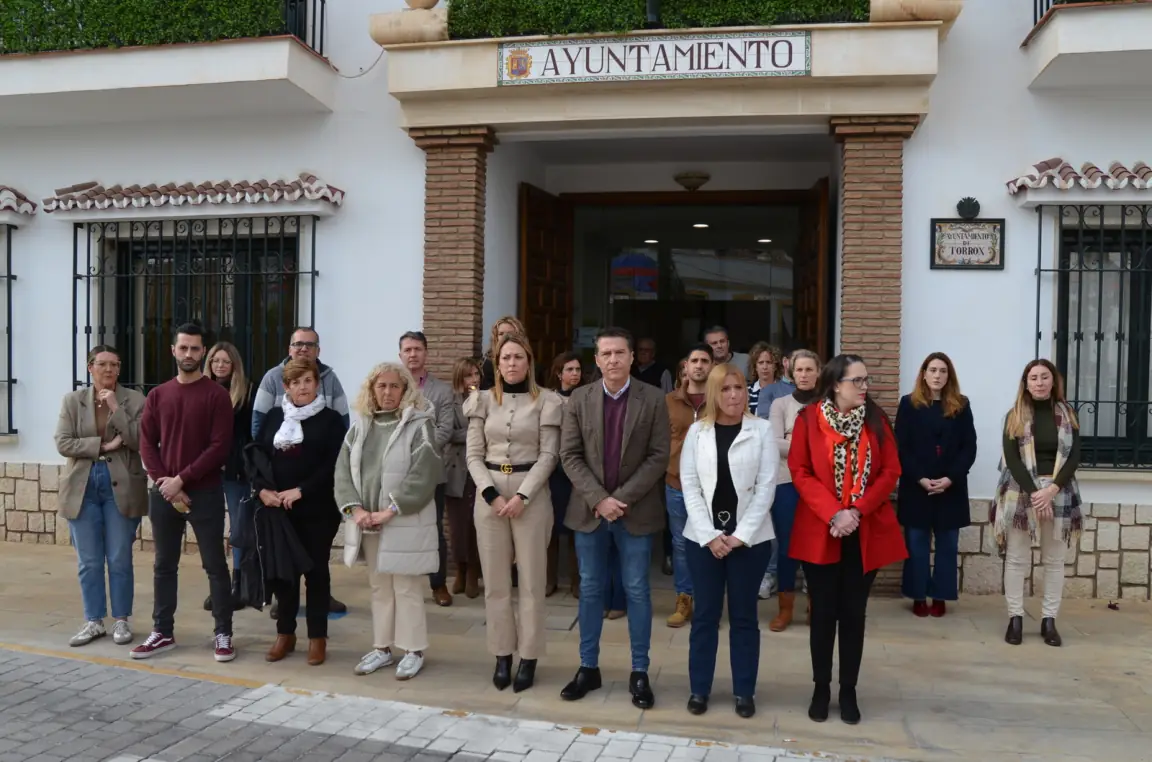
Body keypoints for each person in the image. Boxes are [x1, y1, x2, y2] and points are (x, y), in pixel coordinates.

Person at [788, 354, 905, 725]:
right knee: (823, 613)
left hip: (863, 528)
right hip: (822, 528)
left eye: (866, 380)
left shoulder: (877, 420)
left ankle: (848, 690)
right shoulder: (808, 420)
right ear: (836, 384)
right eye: (858, 380)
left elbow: (891, 471)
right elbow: (800, 471)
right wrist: (834, 512)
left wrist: (855, 510)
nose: (864, 386)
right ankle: (821, 687)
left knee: (854, 614)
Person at [559, 327, 671, 709]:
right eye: (605, 354)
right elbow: (569, 455)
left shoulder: (654, 399)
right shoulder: (579, 398)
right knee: (590, 588)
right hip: (589, 512)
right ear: (596, 359)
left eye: (620, 353)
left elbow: (659, 456)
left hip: (635, 512)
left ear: (632, 357)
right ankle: (588, 667)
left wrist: (618, 500)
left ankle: (639, 672)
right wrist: (599, 499)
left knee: (637, 590)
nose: (613, 360)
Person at [133, 323, 237, 661]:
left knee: (215, 565)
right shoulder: (158, 395)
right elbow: (147, 442)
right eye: (183, 348)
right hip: (164, 494)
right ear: (173, 351)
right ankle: (162, 632)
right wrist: (166, 482)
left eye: (195, 348)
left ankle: (223, 633)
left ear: (203, 352)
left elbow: (219, 447)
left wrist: (182, 480)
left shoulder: (216, 396)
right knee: (164, 565)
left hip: (204, 493)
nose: (189, 354)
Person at [679, 363, 778, 718]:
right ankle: (699, 689)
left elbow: (766, 488)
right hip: (703, 541)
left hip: (749, 542)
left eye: (738, 388)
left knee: (744, 617)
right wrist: (709, 536)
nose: (733, 395)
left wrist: (739, 536)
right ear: (714, 394)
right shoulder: (696, 432)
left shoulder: (762, 430)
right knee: (705, 616)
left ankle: (744, 692)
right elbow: (689, 485)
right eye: (725, 389)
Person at [466, 333, 562, 693]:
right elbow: (473, 453)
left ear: (529, 361)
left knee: (533, 582)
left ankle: (530, 656)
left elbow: (549, 455)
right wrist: (489, 492)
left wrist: (522, 495)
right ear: (496, 362)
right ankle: (502, 654)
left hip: (530, 495)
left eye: (517, 357)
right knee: (496, 583)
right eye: (504, 358)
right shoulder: (483, 400)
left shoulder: (547, 401)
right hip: (488, 493)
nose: (511, 364)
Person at [336, 362, 442, 680]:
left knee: (407, 587)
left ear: (406, 389)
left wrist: (391, 510)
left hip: (402, 520)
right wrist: (356, 511)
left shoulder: (420, 425)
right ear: (372, 390)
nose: (387, 392)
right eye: (381, 386)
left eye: (395, 386)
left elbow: (425, 474)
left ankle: (413, 650)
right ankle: (382, 648)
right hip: (368, 522)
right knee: (379, 587)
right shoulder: (359, 427)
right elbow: (342, 473)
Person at [249, 358, 346, 665]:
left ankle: (317, 638)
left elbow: (333, 464)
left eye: (308, 381)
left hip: (317, 507)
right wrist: (263, 490)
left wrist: (301, 490)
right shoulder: (276, 416)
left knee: (316, 573)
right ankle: (285, 634)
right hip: (278, 509)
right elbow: (258, 457)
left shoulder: (330, 419)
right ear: (286, 386)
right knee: (284, 574)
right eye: (296, 382)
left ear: (317, 384)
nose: (303, 387)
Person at [55, 345, 148, 648]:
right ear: (90, 367)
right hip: (83, 485)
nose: (109, 370)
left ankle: (121, 620)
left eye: (115, 365)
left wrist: (115, 410)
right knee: (89, 561)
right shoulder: (73, 401)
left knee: (120, 557)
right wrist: (104, 447)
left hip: (120, 484)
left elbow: (138, 441)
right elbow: (64, 442)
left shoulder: (134, 400)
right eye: (102, 364)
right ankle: (94, 620)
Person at [992, 359, 1082, 648]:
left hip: (1059, 492)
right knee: (1017, 559)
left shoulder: (1068, 415)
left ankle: (1049, 620)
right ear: (1026, 383)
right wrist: (1035, 493)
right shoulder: (1015, 415)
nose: (1040, 382)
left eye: (1045, 377)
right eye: (1034, 378)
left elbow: (1075, 456)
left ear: (1053, 381)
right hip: (1021, 493)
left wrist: (1051, 490)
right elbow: (1012, 460)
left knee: (1054, 562)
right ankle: (1015, 618)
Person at [896, 352, 977, 618]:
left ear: (949, 376)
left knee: (947, 546)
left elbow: (969, 447)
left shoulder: (961, 405)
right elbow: (902, 447)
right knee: (916, 544)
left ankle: (940, 596)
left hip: (950, 488)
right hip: (916, 486)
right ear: (924, 373)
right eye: (933, 370)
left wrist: (950, 478)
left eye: (943, 371)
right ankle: (918, 595)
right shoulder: (909, 404)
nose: (937, 376)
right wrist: (920, 478)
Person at [399, 330, 457, 608]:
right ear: (400, 355)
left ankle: (438, 584)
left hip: (431, 471)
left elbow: (445, 430)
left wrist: (416, 451)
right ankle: (403, 585)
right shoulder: (389, 386)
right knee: (400, 527)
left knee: (433, 529)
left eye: (417, 349)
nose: (413, 354)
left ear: (426, 353)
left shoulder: (442, 391)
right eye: (407, 350)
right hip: (396, 472)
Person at [766, 349, 821, 631]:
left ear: (818, 373)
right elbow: (775, 443)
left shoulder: (828, 404)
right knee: (787, 545)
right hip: (786, 482)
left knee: (816, 544)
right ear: (791, 372)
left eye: (809, 369)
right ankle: (785, 608)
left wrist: (794, 439)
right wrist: (813, 445)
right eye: (799, 370)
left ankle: (816, 606)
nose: (803, 374)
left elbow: (835, 443)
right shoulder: (780, 404)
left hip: (820, 485)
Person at [663, 344, 714, 628]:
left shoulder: (721, 399)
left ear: (712, 365)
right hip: (676, 484)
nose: (699, 365)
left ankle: (707, 603)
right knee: (681, 545)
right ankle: (684, 600)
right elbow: (658, 440)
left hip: (712, 487)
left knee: (710, 543)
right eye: (694, 360)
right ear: (685, 366)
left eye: (704, 361)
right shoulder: (669, 401)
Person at [203, 341, 254, 612]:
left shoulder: (247, 392)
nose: (220, 365)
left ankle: (239, 586)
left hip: (236, 472)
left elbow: (248, 434)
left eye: (225, 361)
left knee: (238, 530)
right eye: (215, 361)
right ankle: (219, 586)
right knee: (210, 528)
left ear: (234, 364)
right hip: (206, 471)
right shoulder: (201, 390)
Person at [445, 357, 482, 599]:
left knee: (476, 525)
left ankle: (473, 575)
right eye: (469, 375)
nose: (474, 379)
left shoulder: (487, 398)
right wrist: (476, 432)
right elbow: (447, 432)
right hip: (456, 470)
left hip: (480, 471)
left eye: (477, 374)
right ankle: (459, 570)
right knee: (458, 526)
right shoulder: (450, 401)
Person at [547, 351, 584, 598]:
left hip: (579, 470)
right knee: (550, 527)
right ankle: (549, 580)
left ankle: (577, 581)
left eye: (578, 370)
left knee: (576, 526)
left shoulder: (587, 397)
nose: (574, 374)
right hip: (552, 470)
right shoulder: (547, 399)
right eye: (569, 370)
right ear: (559, 373)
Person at [479, 316, 527, 391]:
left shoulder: (526, 358)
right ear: (495, 337)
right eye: (501, 334)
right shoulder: (488, 363)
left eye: (510, 333)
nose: (505, 336)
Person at [746, 342, 782, 416]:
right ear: (755, 367)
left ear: (775, 366)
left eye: (769, 362)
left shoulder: (784, 391)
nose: (765, 367)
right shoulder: (746, 391)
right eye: (761, 363)